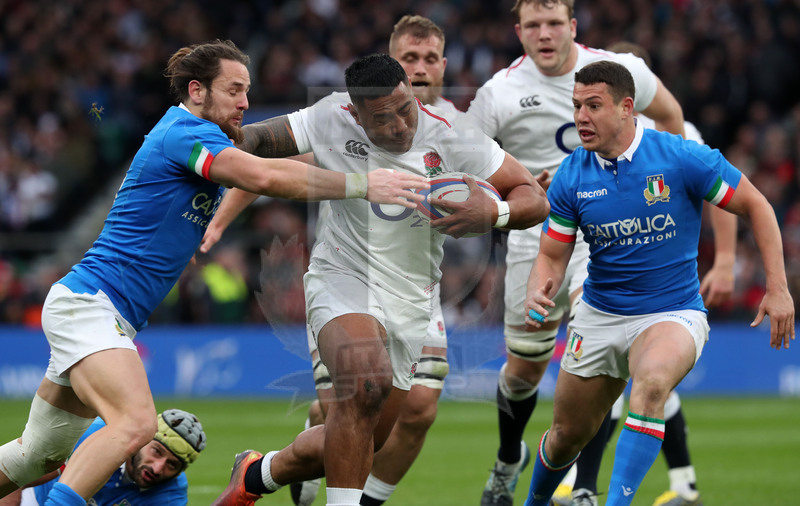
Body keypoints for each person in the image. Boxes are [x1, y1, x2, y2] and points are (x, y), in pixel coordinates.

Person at [0, 39, 428, 506]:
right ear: (197, 91)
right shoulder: (185, 131)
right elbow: (263, 177)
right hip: (91, 305)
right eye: (234, 90)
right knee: (137, 424)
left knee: (34, 459)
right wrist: (364, 185)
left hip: (102, 312)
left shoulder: (200, 138)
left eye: (247, 91)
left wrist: (355, 161)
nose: (245, 102)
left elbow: (279, 167)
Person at [210, 53, 549, 506]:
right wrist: (224, 136)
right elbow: (262, 140)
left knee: (363, 437)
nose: (398, 127)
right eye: (382, 119)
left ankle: (257, 473)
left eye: (404, 109)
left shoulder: (451, 135)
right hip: (341, 276)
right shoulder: (331, 116)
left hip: (410, 299)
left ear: (411, 92)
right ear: (355, 113)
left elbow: (534, 196)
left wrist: (496, 212)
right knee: (367, 383)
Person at [466, 2, 736, 505]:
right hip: (538, 237)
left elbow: (672, 115)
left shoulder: (622, 70)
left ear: (572, 27)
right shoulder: (497, 93)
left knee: (608, 344)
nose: (544, 35)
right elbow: (468, 167)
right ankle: (509, 459)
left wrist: (660, 181)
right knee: (523, 370)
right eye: (533, 26)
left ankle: (588, 488)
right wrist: (518, 188)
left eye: (553, 24)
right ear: (518, 31)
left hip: (611, 231)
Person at [522, 59, 794, 506]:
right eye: (576, 106)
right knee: (566, 436)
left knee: (649, 387)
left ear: (627, 107)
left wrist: (777, 288)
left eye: (593, 105)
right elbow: (551, 257)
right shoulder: (572, 175)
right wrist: (540, 287)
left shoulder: (680, 156)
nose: (581, 118)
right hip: (600, 314)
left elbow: (757, 205)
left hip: (671, 311)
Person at [551, 40, 732, 506]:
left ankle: (588, 485)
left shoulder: (676, 134)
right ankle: (670, 481)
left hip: (661, 268)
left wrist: (727, 261)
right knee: (635, 381)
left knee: (647, 384)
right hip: (595, 258)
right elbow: (572, 183)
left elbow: (728, 191)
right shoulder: (592, 130)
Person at [0, 409, 205, 506]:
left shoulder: (172, 495)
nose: (158, 468)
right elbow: (16, 475)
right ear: (143, 439)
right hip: (33, 500)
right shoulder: (95, 434)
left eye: (173, 464)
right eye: (157, 451)